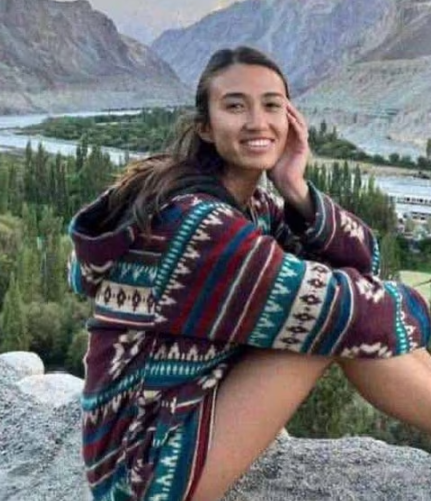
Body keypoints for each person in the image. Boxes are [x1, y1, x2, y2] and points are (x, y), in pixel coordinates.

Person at [68, 46, 431, 501]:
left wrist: (296, 189)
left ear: (292, 119)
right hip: (141, 471)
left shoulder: (251, 205)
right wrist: (418, 307)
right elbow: (347, 311)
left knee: (338, 313)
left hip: (180, 415)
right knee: (328, 324)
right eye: (236, 106)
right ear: (205, 126)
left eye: (272, 105)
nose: (258, 122)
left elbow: (363, 263)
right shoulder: (197, 223)